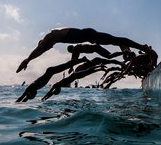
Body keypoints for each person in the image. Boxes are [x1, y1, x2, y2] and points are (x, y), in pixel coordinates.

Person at [16, 27, 153, 73]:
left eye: (48, 46)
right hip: (89, 36)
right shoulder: (53, 38)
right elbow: (41, 51)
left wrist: (27, 60)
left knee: (115, 40)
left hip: (89, 35)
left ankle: (142, 47)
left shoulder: (49, 37)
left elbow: (39, 50)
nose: (50, 48)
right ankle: (128, 49)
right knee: (114, 41)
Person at [16, 57, 87, 102]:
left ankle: (82, 59)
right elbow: (25, 98)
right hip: (50, 72)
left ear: (29, 93)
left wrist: (17, 103)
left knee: (66, 65)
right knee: (66, 65)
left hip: (50, 71)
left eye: (33, 95)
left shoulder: (31, 87)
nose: (35, 95)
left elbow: (22, 97)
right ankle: (82, 59)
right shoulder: (33, 89)